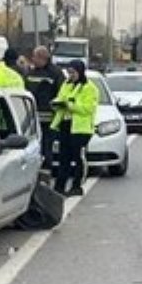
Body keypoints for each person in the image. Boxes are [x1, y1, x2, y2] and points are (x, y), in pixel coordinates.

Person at [50, 60, 99, 196]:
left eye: (73, 72)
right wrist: (56, 104)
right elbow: (60, 98)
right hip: (65, 125)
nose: (71, 75)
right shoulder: (67, 84)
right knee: (63, 158)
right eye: (69, 72)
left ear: (80, 71)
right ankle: (59, 186)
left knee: (77, 158)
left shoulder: (90, 88)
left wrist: (70, 105)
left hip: (81, 128)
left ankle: (77, 186)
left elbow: (87, 108)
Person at [23, 46, 65, 165]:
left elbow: (61, 94)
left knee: (47, 146)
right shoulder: (31, 72)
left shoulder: (56, 73)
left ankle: (46, 170)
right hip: (33, 117)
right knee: (34, 147)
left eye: (34, 57)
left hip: (49, 118)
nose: (32, 59)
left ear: (42, 58)